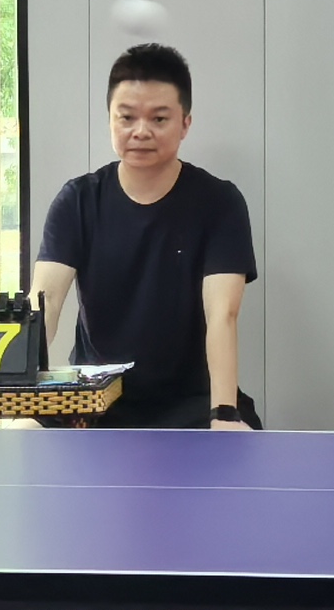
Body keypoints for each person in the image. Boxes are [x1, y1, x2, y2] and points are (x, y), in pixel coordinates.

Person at [33, 42, 257, 431]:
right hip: (95, 398)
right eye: (127, 117)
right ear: (110, 119)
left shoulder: (220, 203)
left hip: (191, 401)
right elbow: (45, 302)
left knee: (236, 444)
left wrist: (223, 412)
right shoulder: (78, 200)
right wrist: (19, 396)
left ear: (185, 123)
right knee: (21, 435)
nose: (141, 131)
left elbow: (223, 313)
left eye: (159, 118)